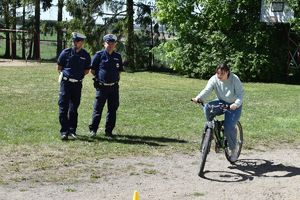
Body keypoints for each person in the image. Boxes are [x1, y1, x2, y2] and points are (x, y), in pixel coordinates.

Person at [192, 63, 244, 162]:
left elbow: (240, 94)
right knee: (207, 107)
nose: (219, 76)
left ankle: (233, 150)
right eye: (218, 73)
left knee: (229, 127)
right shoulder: (214, 79)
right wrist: (198, 98)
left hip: (233, 106)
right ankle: (211, 131)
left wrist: (236, 104)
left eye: (222, 73)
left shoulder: (234, 79)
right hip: (221, 102)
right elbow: (207, 90)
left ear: (227, 72)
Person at [57, 32, 91, 140]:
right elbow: (59, 67)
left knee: (74, 109)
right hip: (66, 83)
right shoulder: (65, 52)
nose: (75, 43)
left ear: (82, 42)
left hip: (77, 84)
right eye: (74, 41)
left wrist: (77, 77)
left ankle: (72, 130)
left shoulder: (85, 55)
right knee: (63, 107)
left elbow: (86, 70)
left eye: (77, 41)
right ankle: (64, 131)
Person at [89, 34, 124, 138]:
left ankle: (109, 131)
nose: (110, 45)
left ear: (115, 45)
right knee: (98, 109)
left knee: (112, 110)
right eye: (108, 43)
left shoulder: (118, 56)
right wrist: (100, 79)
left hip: (113, 87)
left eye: (112, 43)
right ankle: (93, 130)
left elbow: (119, 71)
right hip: (102, 87)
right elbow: (93, 70)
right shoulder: (98, 55)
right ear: (104, 44)